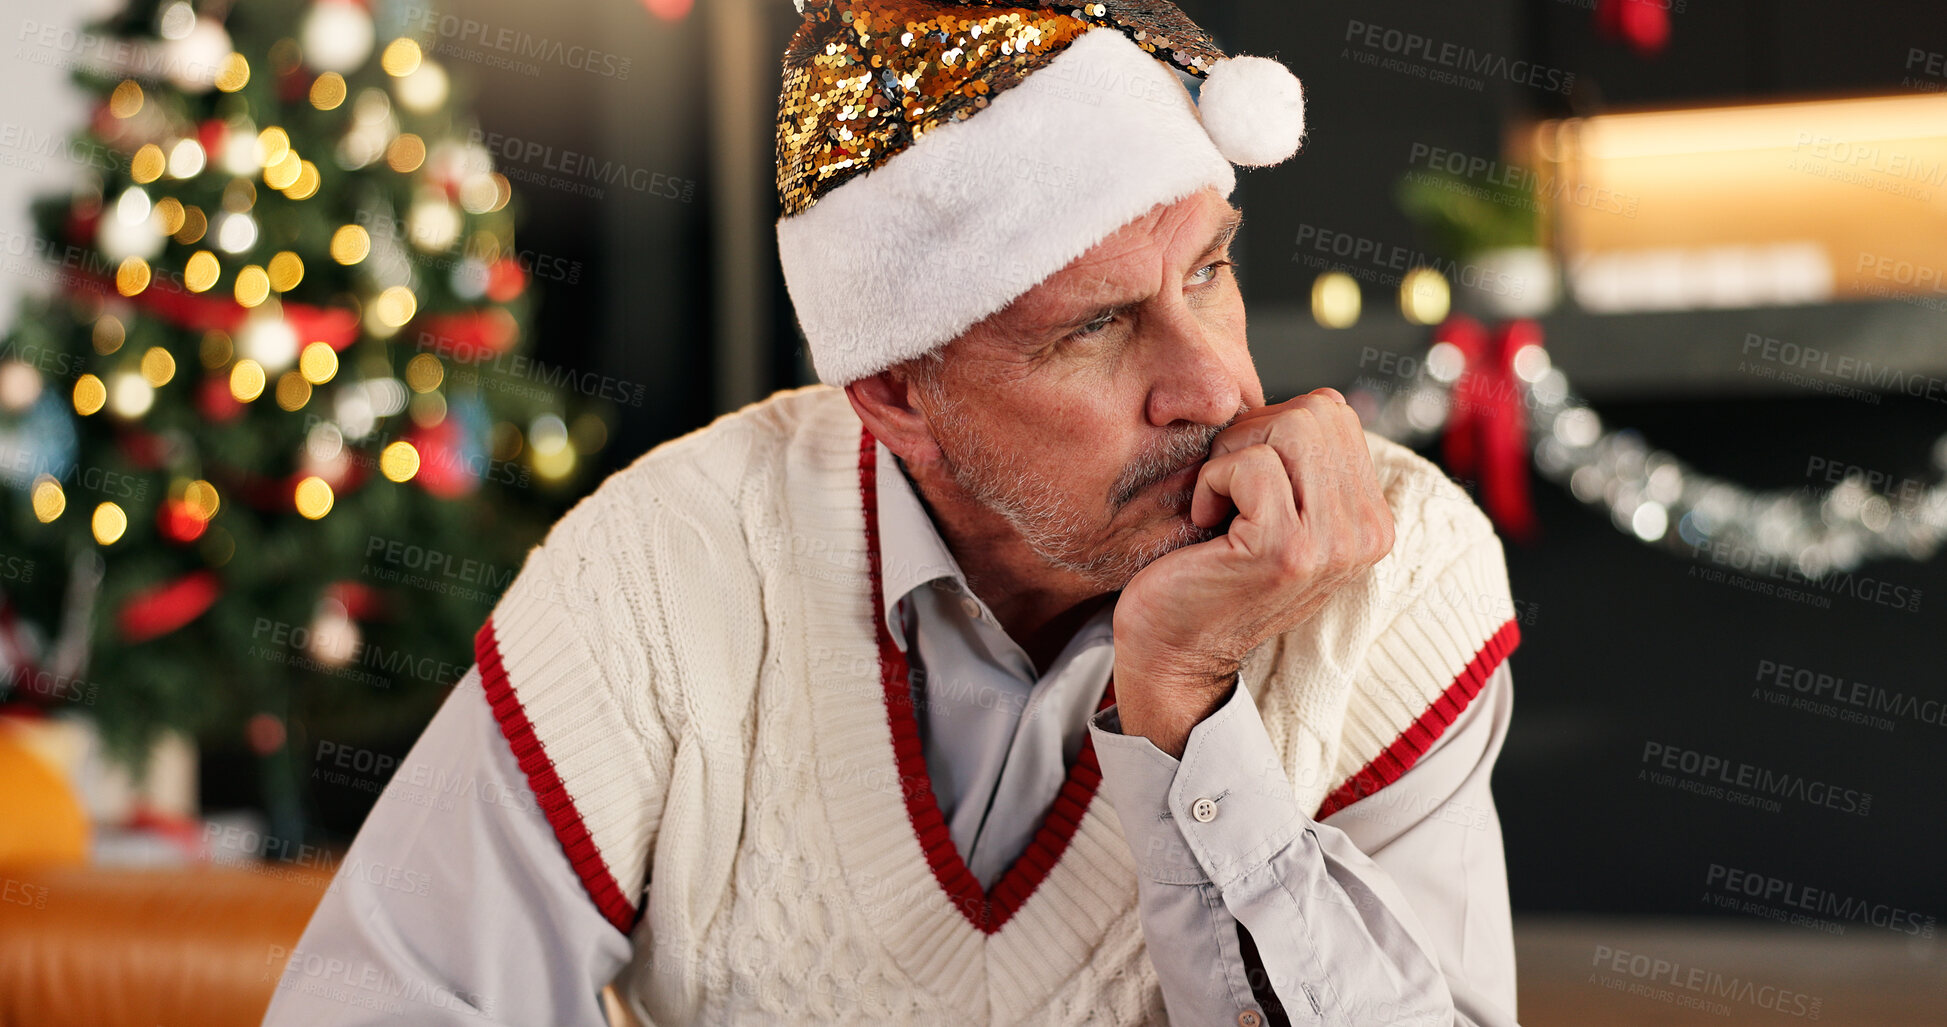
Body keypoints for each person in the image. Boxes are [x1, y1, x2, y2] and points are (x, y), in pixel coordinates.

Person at [263, 2, 1524, 1023]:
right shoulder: (663, 568)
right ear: (895, 391)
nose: (1217, 387)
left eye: (1209, 271)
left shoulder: (1392, 573)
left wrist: (1192, 712)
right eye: (1095, 327)